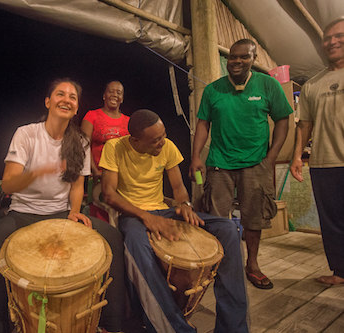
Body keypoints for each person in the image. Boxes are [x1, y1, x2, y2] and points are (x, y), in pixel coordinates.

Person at [0, 78, 125, 333]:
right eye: (60, 94)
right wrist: (37, 172)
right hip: (22, 214)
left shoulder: (80, 142)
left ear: (76, 108)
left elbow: (77, 186)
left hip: (61, 213)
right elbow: (8, 186)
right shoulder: (26, 134)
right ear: (48, 101)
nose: (66, 99)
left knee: (112, 237)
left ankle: (112, 323)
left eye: (72, 97)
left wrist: (75, 212)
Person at [100, 109, 248, 333]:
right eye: (155, 140)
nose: (162, 143)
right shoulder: (115, 148)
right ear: (136, 140)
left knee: (228, 228)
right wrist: (145, 217)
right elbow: (109, 194)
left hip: (163, 211)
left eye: (163, 136)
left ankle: (233, 327)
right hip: (133, 216)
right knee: (136, 246)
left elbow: (178, 188)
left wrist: (184, 206)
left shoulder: (167, 147)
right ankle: (174, 327)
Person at [190, 39, 293, 290]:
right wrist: (195, 158)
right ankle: (219, 264)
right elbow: (203, 125)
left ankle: (253, 265)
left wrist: (272, 156)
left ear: (253, 59)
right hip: (219, 163)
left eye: (243, 57)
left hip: (255, 163)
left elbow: (283, 120)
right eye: (233, 57)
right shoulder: (214, 90)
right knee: (216, 217)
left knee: (253, 218)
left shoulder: (268, 85)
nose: (237, 61)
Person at [290, 17, 344, 285]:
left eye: (339, 36)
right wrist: (297, 156)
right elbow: (305, 126)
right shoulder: (312, 84)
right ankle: (341, 272)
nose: (332, 41)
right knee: (332, 221)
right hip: (324, 162)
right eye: (327, 38)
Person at [81, 80, 129, 182]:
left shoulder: (129, 121)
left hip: (122, 176)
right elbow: (84, 145)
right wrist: (94, 170)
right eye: (111, 91)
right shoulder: (91, 115)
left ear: (122, 99)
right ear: (104, 96)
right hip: (97, 175)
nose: (114, 95)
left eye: (119, 93)